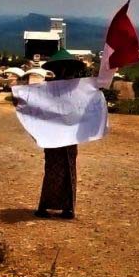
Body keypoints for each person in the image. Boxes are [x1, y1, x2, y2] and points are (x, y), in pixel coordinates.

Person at [34, 49, 86, 219]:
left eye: (67, 68)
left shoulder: (78, 89)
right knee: (54, 170)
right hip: (54, 135)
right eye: (62, 68)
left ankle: (67, 208)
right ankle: (48, 206)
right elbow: (36, 106)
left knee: (66, 169)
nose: (65, 72)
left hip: (68, 136)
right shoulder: (48, 89)